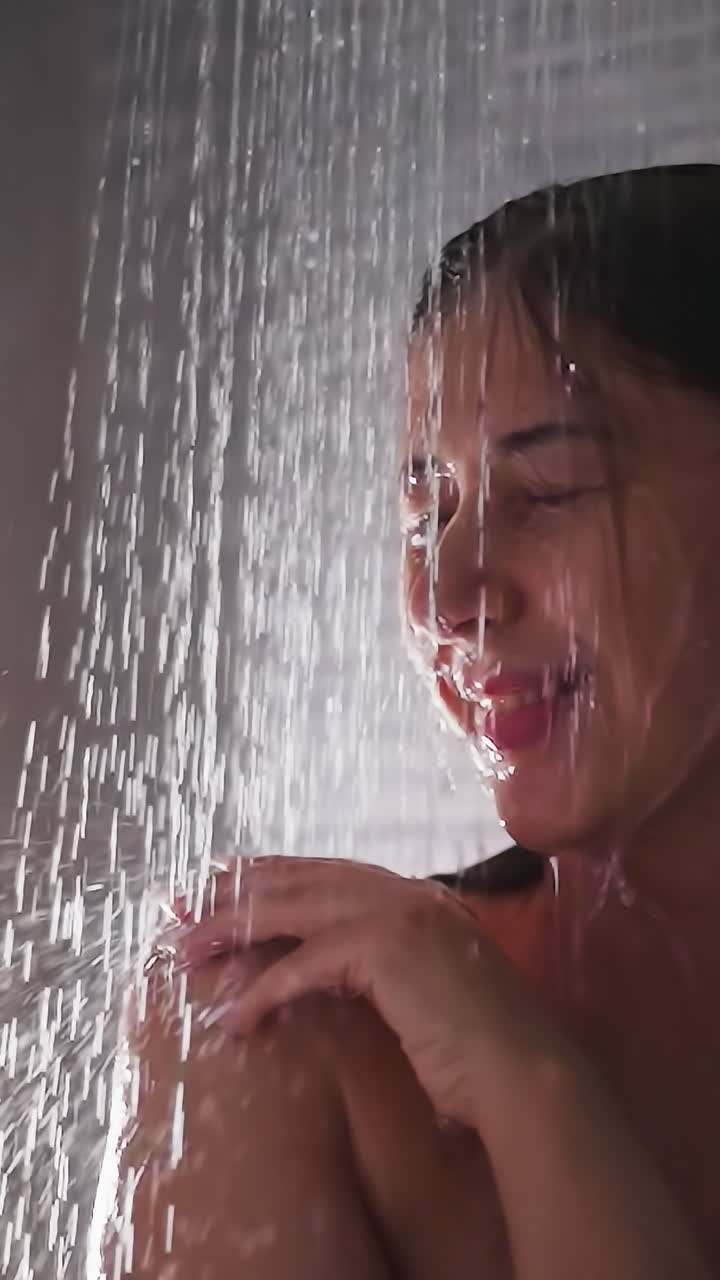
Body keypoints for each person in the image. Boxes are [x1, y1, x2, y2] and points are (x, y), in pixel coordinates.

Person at [94, 164, 720, 1279]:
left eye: (552, 489)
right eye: (425, 510)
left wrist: (532, 1090)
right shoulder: (285, 1023)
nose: (447, 594)